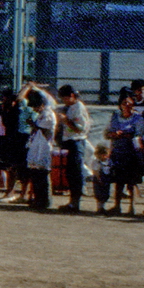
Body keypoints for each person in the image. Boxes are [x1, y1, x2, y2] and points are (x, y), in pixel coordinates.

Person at [55, 85, 93, 213]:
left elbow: (80, 128)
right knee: (70, 173)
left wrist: (66, 121)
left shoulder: (78, 108)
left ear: (71, 96)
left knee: (76, 172)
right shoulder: (69, 107)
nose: (63, 101)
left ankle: (76, 202)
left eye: (65, 98)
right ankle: (72, 201)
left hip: (76, 141)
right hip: (68, 141)